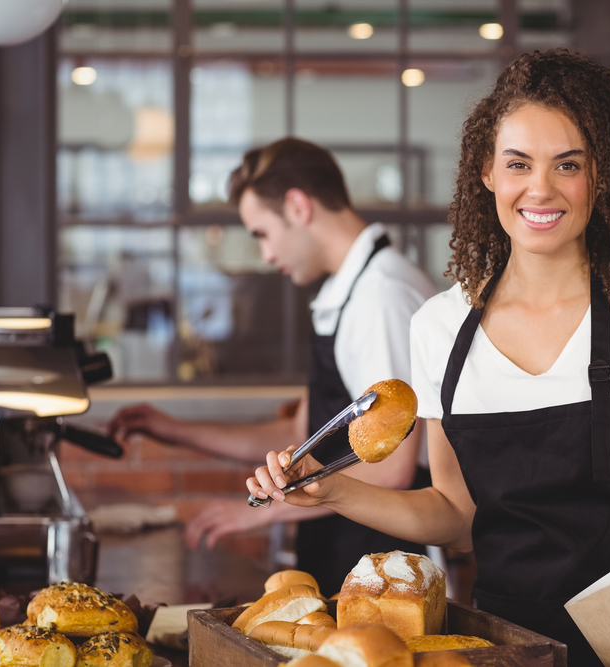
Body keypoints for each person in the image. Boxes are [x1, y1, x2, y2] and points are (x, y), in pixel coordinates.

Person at [247, 50, 610, 666]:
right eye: (518, 164)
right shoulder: (439, 329)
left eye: (568, 165)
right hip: (504, 643)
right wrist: (335, 493)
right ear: (487, 172)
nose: (541, 188)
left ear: (600, 175)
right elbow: (453, 513)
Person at [108, 137, 437, 597]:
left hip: (383, 562)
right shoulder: (345, 293)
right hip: (343, 546)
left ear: (298, 207)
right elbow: (304, 433)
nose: (263, 254)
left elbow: (393, 470)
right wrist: (173, 429)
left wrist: (261, 509)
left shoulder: (380, 297)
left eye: (261, 232)